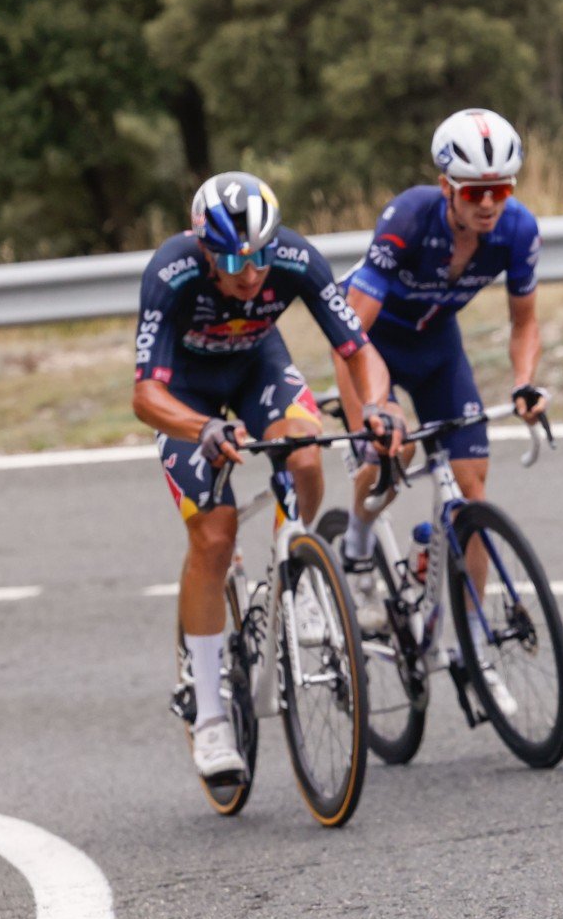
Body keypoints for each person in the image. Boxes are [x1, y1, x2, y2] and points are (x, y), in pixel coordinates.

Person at [132, 172, 399, 782]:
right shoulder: (171, 272)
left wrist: (379, 405)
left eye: (257, 255)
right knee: (215, 535)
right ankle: (209, 719)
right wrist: (200, 428)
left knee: (305, 453)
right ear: (204, 248)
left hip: (257, 369)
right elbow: (145, 394)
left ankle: (299, 566)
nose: (249, 274)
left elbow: (358, 349)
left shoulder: (294, 257)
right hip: (188, 394)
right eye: (231, 259)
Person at [330, 108, 547, 715]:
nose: (489, 204)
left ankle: (476, 650)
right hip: (370, 344)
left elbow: (524, 320)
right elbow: (352, 330)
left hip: (437, 351)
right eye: (476, 192)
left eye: (501, 190)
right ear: (448, 186)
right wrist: (376, 405)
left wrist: (525, 382)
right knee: (386, 459)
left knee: (472, 493)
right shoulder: (409, 217)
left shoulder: (517, 231)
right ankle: (357, 544)